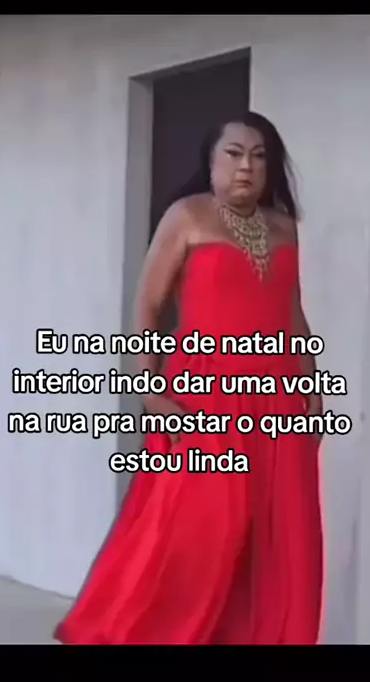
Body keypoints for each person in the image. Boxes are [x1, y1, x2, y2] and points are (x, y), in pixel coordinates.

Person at [54, 111, 324, 645]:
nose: (247, 166)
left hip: (277, 400)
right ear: (211, 160)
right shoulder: (187, 216)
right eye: (234, 153)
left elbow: (292, 314)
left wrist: (313, 391)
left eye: (259, 156)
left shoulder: (284, 228)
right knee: (201, 529)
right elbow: (148, 306)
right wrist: (150, 389)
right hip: (204, 395)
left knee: (278, 532)